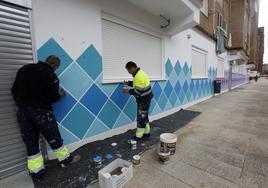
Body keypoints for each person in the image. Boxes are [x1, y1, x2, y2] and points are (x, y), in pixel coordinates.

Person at [11, 55, 73, 179]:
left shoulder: (24, 69)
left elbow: (13, 90)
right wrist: (60, 95)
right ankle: (65, 159)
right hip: (42, 112)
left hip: (23, 112)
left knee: (31, 141)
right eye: (56, 68)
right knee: (53, 137)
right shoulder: (51, 76)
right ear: (55, 66)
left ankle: (36, 171)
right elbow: (53, 97)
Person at [123, 61, 153, 140]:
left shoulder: (138, 76)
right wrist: (129, 83)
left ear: (132, 68)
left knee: (141, 117)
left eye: (128, 70)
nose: (129, 72)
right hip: (146, 98)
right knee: (144, 115)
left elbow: (137, 91)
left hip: (143, 100)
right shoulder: (140, 73)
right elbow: (137, 84)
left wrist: (128, 91)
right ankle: (146, 133)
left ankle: (139, 135)